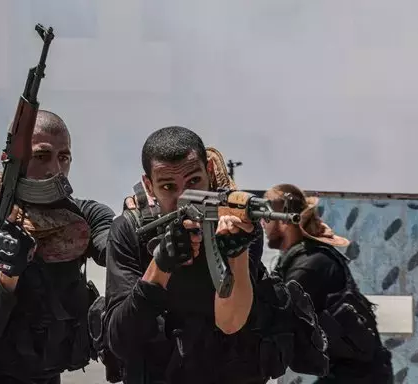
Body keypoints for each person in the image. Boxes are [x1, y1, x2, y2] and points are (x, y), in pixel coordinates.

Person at [101, 126, 329, 384]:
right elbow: (120, 340)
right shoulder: (130, 230)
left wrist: (236, 253)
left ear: (209, 171)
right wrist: (162, 265)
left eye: (194, 181)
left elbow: (231, 322)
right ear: (148, 186)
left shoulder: (236, 221)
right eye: (168, 186)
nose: (183, 197)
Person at [0, 110, 116, 384]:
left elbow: (110, 245)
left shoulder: (77, 219)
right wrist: (6, 277)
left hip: (42, 376)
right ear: (11, 159)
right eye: (41, 156)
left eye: (64, 157)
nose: (55, 169)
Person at [263, 183, 393, 383]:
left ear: (283, 220)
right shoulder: (300, 260)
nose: (263, 224)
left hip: (358, 377)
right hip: (347, 373)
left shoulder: (310, 265)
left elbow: (276, 318)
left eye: (266, 217)